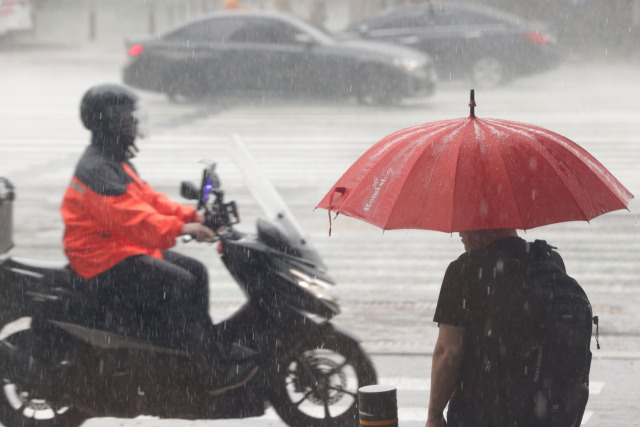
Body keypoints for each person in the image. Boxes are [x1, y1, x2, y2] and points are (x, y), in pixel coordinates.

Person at [61, 83, 256, 392]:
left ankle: (201, 351)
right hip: (101, 259)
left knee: (196, 271)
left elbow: (149, 200)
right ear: (109, 121)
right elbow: (133, 219)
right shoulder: (96, 168)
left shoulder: (112, 159)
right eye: (128, 117)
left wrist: (194, 217)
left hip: (120, 248)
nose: (135, 123)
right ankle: (201, 371)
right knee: (181, 282)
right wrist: (181, 229)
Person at [426, 228, 565, 427]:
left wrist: (434, 415)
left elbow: (449, 351)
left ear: (484, 223)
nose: (459, 232)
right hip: (543, 406)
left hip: (480, 408)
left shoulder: (463, 268)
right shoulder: (550, 260)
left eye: (465, 221)